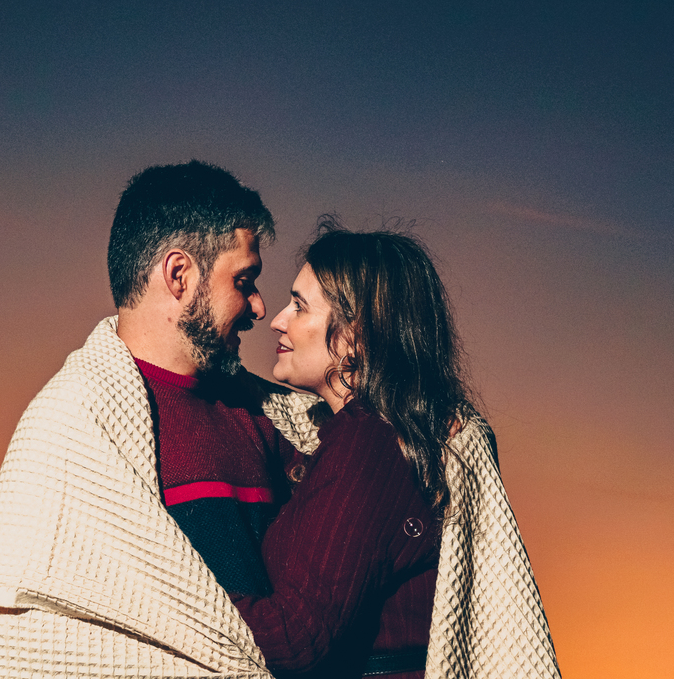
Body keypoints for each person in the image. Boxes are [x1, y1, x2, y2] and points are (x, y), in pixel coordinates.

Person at [0, 161, 318, 678]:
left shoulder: (276, 421)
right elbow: (16, 645)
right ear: (179, 275)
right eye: (244, 280)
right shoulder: (68, 430)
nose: (258, 306)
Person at [233, 223, 563, 679]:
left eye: (300, 306)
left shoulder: (370, 445)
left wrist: (158, 594)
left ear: (358, 337)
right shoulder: (370, 436)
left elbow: (294, 639)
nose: (278, 319)